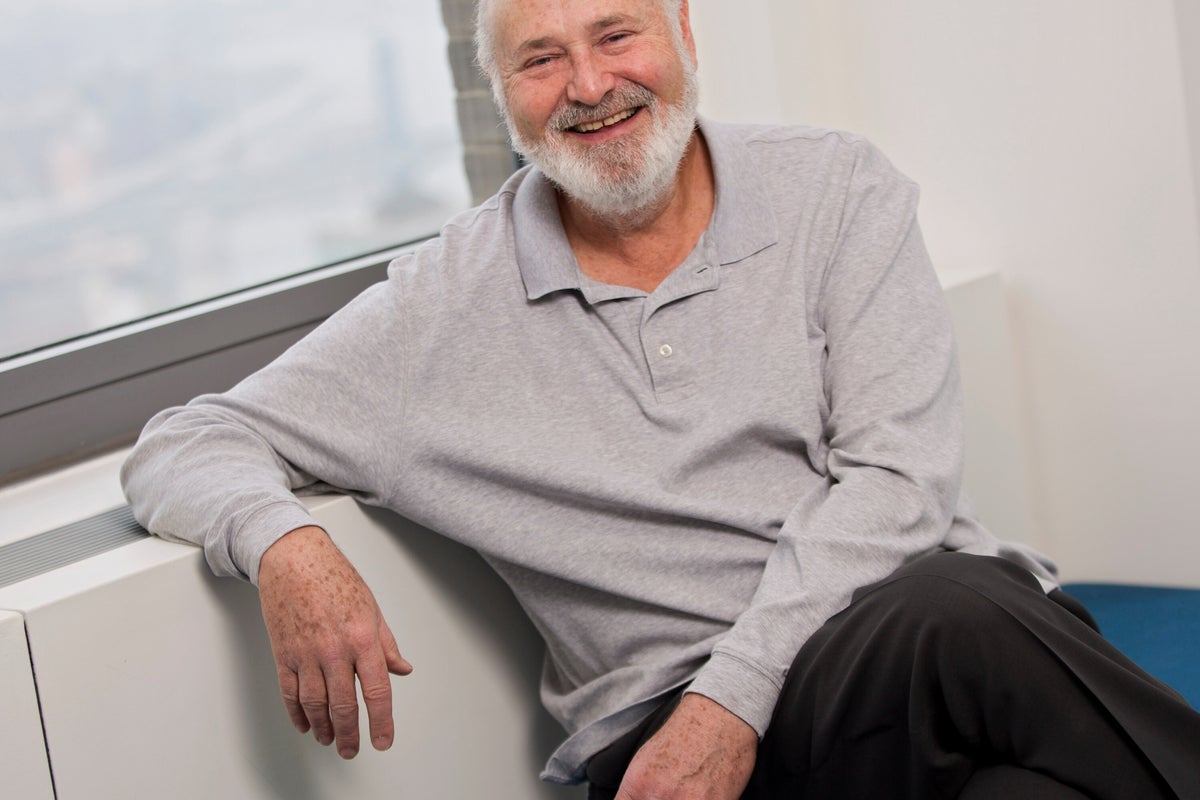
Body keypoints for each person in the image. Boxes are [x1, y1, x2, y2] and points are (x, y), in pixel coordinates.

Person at [122, 0, 1200, 797]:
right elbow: (184, 441)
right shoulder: (441, 306)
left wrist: (735, 693)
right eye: (541, 58)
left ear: (684, 30)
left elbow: (900, 482)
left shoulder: (835, 188)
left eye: (615, 34)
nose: (590, 85)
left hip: (891, 662)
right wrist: (286, 543)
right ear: (501, 93)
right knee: (964, 607)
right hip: (678, 748)